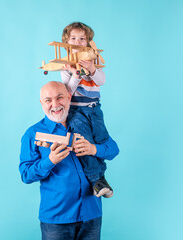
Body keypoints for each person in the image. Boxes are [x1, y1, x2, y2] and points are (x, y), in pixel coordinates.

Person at [19, 81, 119, 240]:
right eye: (48, 100)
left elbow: (113, 149)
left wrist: (94, 149)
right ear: (41, 103)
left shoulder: (87, 123)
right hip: (57, 219)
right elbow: (26, 175)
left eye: (60, 98)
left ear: (69, 96)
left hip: (91, 212)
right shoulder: (32, 134)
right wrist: (50, 161)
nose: (55, 104)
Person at [61, 22, 112, 197]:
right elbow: (68, 92)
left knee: (100, 140)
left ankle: (101, 176)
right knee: (83, 142)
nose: (78, 42)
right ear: (67, 43)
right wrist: (76, 73)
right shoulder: (66, 65)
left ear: (88, 42)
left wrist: (91, 69)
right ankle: (96, 180)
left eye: (82, 39)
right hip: (77, 111)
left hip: (94, 109)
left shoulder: (92, 61)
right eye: (73, 38)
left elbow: (102, 81)